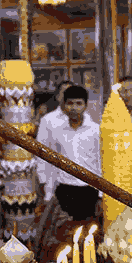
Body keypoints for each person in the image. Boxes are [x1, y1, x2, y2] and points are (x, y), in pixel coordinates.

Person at [43, 85, 101, 221]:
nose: (74, 108)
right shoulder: (56, 131)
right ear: (64, 105)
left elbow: (102, 164)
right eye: (70, 103)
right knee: (64, 235)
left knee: (89, 234)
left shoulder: (96, 131)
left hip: (89, 191)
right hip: (64, 190)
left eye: (79, 103)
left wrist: (101, 196)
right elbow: (52, 164)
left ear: (86, 105)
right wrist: (48, 194)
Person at [35, 80, 73, 200]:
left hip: (78, 182)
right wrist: (42, 179)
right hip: (54, 181)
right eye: (64, 93)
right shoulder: (48, 120)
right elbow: (40, 151)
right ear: (57, 97)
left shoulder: (85, 119)